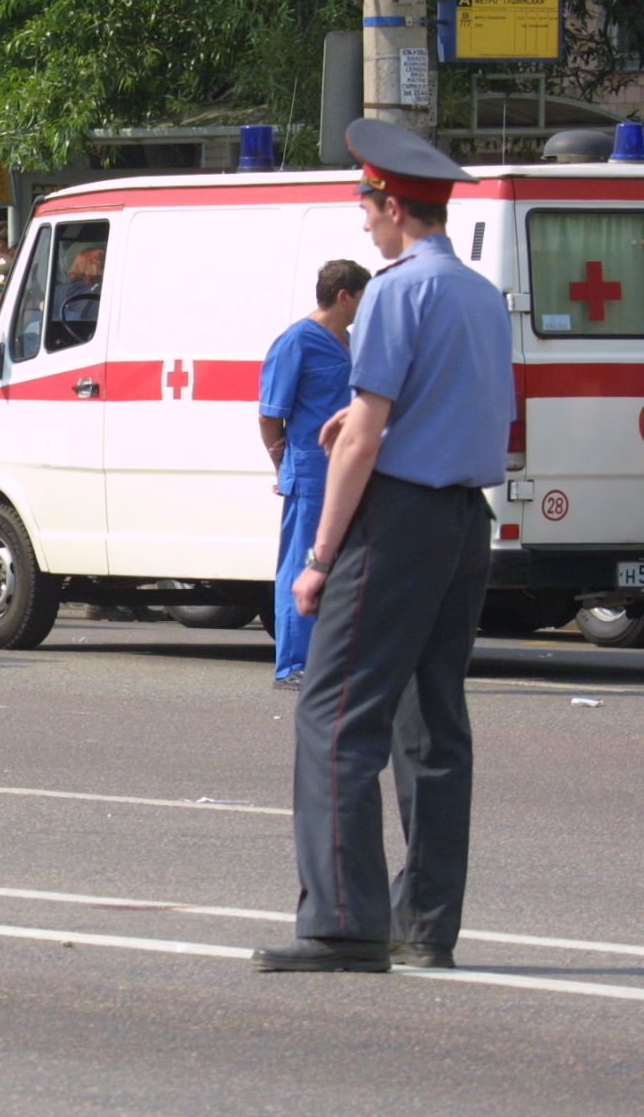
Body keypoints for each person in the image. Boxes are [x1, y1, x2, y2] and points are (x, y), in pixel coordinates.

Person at [251, 119, 514, 975]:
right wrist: (364, 419)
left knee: (333, 717)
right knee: (433, 725)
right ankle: (425, 926)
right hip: (463, 521)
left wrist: (319, 558)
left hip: (395, 524)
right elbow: (459, 408)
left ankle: (339, 925)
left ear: (394, 206)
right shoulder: (480, 294)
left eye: (367, 207)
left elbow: (362, 442)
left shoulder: (397, 293)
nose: (363, 223)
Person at [258, 259, 370, 691]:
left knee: (344, 568)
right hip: (311, 469)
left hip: (350, 472)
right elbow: (270, 415)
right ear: (344, 297)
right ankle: (292, 665)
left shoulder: (351, 340)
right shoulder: (295, 342)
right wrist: (282, 465)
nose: (365, 306)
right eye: (362, 298)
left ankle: (336, 662)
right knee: (301, 565)